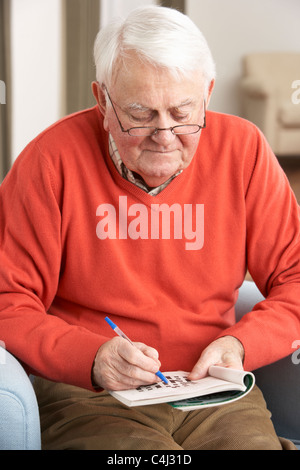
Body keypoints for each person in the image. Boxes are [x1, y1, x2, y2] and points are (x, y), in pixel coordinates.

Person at [0, 5, 299, 450]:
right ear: (102, 101)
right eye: (140, 115)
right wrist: (92, 358)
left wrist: (240, 345)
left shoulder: (244, 151)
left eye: (183, 112)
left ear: (208, 94)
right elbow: (8, 300)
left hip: (214, 394)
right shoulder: (50, 161)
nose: (164, 134)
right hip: (90, 398)